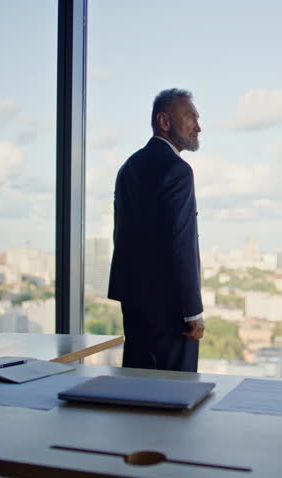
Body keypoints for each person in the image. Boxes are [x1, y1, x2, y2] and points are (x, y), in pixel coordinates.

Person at [108, 88, 205, 372]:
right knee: (175, 398)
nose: (198, 126)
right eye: (190, 118)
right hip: (170, 309)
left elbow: (122, 235)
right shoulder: (178, 170)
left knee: (138, 391)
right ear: (164, 122)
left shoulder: (129, 166)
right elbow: (181, 244)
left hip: (135, 304)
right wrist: (193, 311)